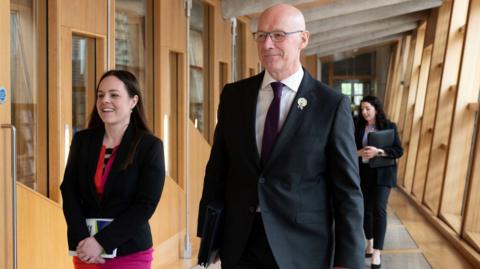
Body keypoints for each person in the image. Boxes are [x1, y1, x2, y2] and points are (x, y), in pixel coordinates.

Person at [197, 4, 364, 269]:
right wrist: (210, 235)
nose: (267, 44)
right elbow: (218, 169)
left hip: (303, 247)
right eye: (261, 35)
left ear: (303, 39)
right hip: (241, 243)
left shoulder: (330, 104)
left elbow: (347, 190)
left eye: (278, 35)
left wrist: (348, 259)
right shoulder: (235, 96)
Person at [60, 70, 165, 269]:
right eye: (100, 95)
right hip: (86, 252)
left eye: (114, 95)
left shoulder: (149, 146)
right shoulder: (82, 141)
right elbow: (69, 191)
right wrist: (84, 240)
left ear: (133, 101)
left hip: (129, 251)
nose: (104, 100)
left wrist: (102, 242)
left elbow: (145, 205)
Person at [355, 96, 403, 269]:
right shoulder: (358, 126)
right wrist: (360, 153)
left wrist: (379, 152)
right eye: (362, 109)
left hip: (384, 175)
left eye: (367, 108)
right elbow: (350, 149)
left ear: (376, 109)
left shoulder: (390, 126)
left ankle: (377, 253)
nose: (364, 112)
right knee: (365, 211)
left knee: (379, 209)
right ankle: (369, 241)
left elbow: (398, 150)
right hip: (364, 174)